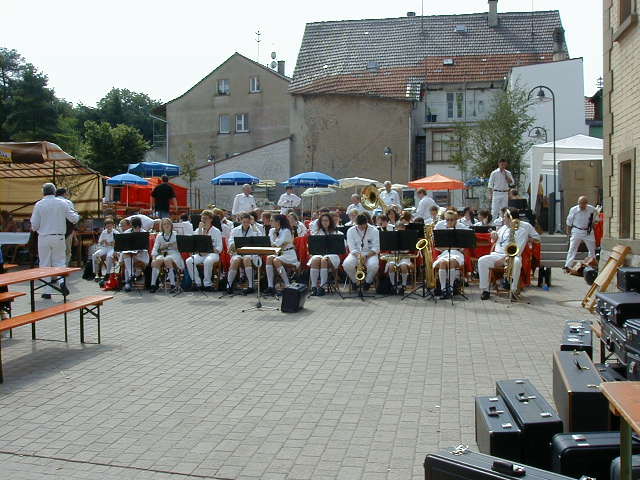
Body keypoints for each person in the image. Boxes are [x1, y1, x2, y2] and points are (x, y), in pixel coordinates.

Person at [478, 207, 540, 301]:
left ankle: (513, 291)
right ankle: (485, 290)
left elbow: (534, 240)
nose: (502, 219)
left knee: (517, 262)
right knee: (482, 260)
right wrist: (494, 236)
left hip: (513, 256)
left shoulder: (523, 229)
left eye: (504, 217)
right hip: (497, 254)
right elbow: (495, 240)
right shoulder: (503, 227)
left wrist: (529, 239)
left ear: (511, 218)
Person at [30, 183, 79, 299]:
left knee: (44, 264)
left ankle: (47, 291)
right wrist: (77, 215)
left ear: (43, 192)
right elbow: (74, 218)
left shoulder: (39, 204)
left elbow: (34, 226)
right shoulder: (62, 203)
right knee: (60, 262)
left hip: (43, 237)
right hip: (59, 236)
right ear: (54, 191)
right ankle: (61, 282)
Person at [433, 210, 469, 299]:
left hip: (457, 253)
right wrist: (446, 248)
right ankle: (443, 290)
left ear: (456, 220)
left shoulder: (462, 227)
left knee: (451, 262)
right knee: (442, 262)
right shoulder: (440, 226)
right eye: (447, 219)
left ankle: (451, 289)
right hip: (444, 252)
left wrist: (458, 247)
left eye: (451, 220)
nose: (449, 221)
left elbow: (465, 244)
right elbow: (436, 245)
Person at [185, 210, 223, 291]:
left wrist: (212, 249)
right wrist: (200, 229)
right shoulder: (197, 230)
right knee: (189, 261)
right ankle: (197, 283)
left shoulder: (216, 231)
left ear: (211, 219)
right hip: (201, 254)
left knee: (207, 261)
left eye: (205, 218)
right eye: (202, 218)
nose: (203, 220)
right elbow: (196, 243)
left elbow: (220, 247)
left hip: (212, 254)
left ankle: (207, 284)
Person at [308, 213, 343, 296]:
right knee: (315, 260)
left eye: (326, 220)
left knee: (324, 260)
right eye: (323, 221)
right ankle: (314, 287)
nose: (325, 222)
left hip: (333, 255)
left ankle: (322, 287)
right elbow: (312, 248)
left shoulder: (337, 233)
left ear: (330, 221)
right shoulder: (316, 233)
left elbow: (342, 247)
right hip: (320, 254)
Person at [344, 213, 380, 290]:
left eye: (363, 225)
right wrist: (358, 256)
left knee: (373, 266)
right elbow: (351, 247)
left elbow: (376, 247)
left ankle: (368, 282)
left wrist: (366, 256)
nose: (360, 228)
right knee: (346, 264)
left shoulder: (374, 230)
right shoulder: (350, 231)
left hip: (370, 254)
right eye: (358, 225)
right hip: (356, 254)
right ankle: (355, 281)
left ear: (366, 223)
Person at [264, 214, 299, 295]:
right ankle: (270, 286)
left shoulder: (286, 231)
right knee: (269, 258)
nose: (270, 222)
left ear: (278, 222)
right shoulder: (272, 230)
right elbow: (270, 243)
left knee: (276, 260)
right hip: (278, 253)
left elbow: (277, 244)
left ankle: (287, 284)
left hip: (288, 254)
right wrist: (273, 241)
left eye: (272, 220)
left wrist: (273, 243)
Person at [227, 213, 260, 294]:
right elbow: (230, 241)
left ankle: (250, 286)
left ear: (250, 222)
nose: (246, 224)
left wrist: (255, 230)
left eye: (248, 222)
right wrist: (234, 244)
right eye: (244, 222)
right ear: (241, 221)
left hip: (250, 253)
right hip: (238, 252)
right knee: (235, 260)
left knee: (246, 259)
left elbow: (259, 239)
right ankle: (229, 285)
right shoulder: (235, 230)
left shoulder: (255, 230)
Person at [564, 196, 600, 272]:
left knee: (592, 249)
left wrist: (594, 224)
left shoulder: (592, 209)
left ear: (586, 203)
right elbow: (569, 221)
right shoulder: (573, 209)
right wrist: (568, 232)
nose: (581, 205)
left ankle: (591, 264)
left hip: (588, 231)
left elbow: (596, 219)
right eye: (580, 203)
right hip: (577, 230)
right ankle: (567, 265)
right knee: (572, 248)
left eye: (583, 203)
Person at [149, 218, 184, 293]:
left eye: (168, 224)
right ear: (162, 226)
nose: (166, 225)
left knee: (167, 259)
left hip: (174, 254)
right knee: (156, 261)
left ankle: (173, 285)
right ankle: (153, 285)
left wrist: (168, 245)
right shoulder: (159, 236)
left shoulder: (175, 234)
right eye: (164, 224)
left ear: (171, 225)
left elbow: (179, 247)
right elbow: (155, 249)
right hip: (162, 254)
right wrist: (153, 259)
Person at [120, 216, 150, 292]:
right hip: (130, 254)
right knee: (126, 256)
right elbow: (123, 247)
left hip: (141, 256)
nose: (137, 229)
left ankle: (129, 281)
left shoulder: (144, 233)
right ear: (132, 226)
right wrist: (121, 258)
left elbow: (145, 247)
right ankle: (131, 277)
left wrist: (137, 252)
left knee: (129, 264)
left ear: (140, 226)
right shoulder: (126, 233)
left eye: (138, 227)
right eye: (135, 227)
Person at [384, 221, 412, 295]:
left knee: (403, 266)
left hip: (404, 256)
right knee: (391, 266)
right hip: (394, 256)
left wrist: (402, 250)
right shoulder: (392, 236)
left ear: (404, 229)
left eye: (401, 229)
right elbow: (390, 250)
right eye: (397, 229)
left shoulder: (407, 237)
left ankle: (403, 285)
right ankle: (393, 285)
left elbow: (408, 250)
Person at [92, 217, 116, 283]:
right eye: (107, 226)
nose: (108, 227)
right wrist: (102, 242)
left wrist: (110, 243)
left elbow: (117, 243)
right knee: (94, 255)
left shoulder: (115, 232)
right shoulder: (104, 232)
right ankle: (96, 273)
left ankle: (107, 273)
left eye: (110, 225)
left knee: (109, 256)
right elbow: (100, 242)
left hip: (112, 248)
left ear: (113, 225)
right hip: (104, 248)